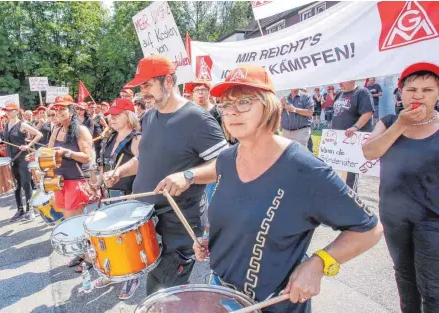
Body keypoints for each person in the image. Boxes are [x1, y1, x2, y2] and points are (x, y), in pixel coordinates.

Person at [184, 64, 383, 311]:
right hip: (220, 294)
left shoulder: (304, 168)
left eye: (244, 102)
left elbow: (369, 230)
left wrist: (319, 263)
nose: (232, 112)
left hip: (274, 304)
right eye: (225, 105)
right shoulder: (226, 159)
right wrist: (214, 239)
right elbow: (238, 215)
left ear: (268, 106)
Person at [104, 55, 228, 295]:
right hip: (148, 219)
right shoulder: (149, 116)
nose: (143, 93)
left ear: (169, 82)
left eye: (148, 85)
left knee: (161, 296)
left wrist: (189, 175)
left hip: (178, 224)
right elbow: (146, 158)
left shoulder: (197, 119)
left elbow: (226, 164)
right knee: (156, 289)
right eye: (141, 87)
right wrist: (121, 171)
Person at [362, 62, 439, 313]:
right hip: (395, 216)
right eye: (412, 89)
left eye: (427, 90)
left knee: (432, 286)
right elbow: (370, 151)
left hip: (433, 218)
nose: (418, 95)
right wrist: (401, 125)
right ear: (400, 92)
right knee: (405, 278)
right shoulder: (389, 122)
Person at [93, 98, 142, 299]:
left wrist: (119, 174)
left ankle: (132, 276)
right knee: (107, 236)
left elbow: (143, 164)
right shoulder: (109, 137)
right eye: (111, 114)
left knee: (127, 239)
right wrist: (97, 184)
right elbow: (102, 165)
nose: (111, 117)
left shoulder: (137, 138)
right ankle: (112, 272)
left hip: (128, 194)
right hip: (108, 195)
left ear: (129, 116)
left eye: (116, 114)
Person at [42, 95, 95, 272]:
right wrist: (37, 158)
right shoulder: (56, 130)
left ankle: (90, 257)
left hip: (76, 179)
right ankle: (80, 253)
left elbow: (87, 157)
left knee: (76, 221)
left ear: (71, 111)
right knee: (67, 220)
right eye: (56, 109)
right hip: (60, 180)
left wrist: (66, 152)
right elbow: (49, 151)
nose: (58, 112)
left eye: (62, 109)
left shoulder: (81, 130)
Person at [2, 103, 42, 221]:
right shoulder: (6, 124)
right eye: (6, 110)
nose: (7, 113)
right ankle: (20, 210)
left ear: (16, 111)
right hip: (11, 159)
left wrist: (28, 145)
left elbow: (39, 134)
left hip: (22, 158)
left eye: (10, 110)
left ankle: (31, 210)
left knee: (26, 183)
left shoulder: (22, 124)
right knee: (16, 186)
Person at [332, 80, 374, 191]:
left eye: (343, 81)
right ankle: (342, 192)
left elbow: (368, 112)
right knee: (340, 167)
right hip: (339, 137)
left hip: (353, 139)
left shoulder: (362, 92)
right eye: (339, 82)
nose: (340, 84)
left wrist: (355, 127)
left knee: (351, 169)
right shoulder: (340, 94)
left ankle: (351, 195)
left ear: (352, 79)